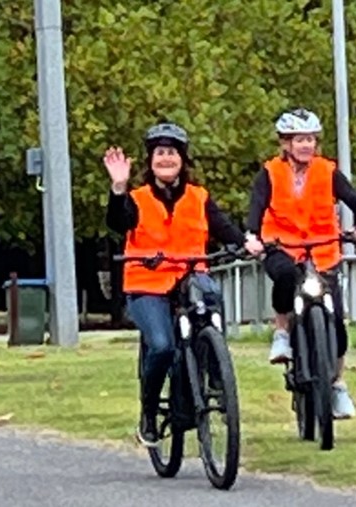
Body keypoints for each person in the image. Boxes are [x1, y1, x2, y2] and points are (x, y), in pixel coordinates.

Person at [104, 122, 262, 447]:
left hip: (190, 277)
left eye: (172, 153)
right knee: (162, 346)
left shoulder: (199, 197)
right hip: (147, 284)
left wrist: (247, 242)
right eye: (159, 153)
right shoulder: (136, 198)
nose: (166, 159)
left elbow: (224, 228)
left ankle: (216, 371)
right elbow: (117, 222)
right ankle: (149, 413)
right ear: (150, 160)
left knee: (212, 295)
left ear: (183, 159)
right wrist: (118, 187)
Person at [245, 107, 356, 420]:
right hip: (283, 246)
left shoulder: (326, 171)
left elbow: (355, 200)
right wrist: (252, 235)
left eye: (311, 139)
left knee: (337, 321)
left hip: (323, 249)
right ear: (285, 143)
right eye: (299, 139)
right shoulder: (270, 172)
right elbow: (257, 205)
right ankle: (281, 333)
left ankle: (338, 385)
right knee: (285, 276)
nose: (306, 145)